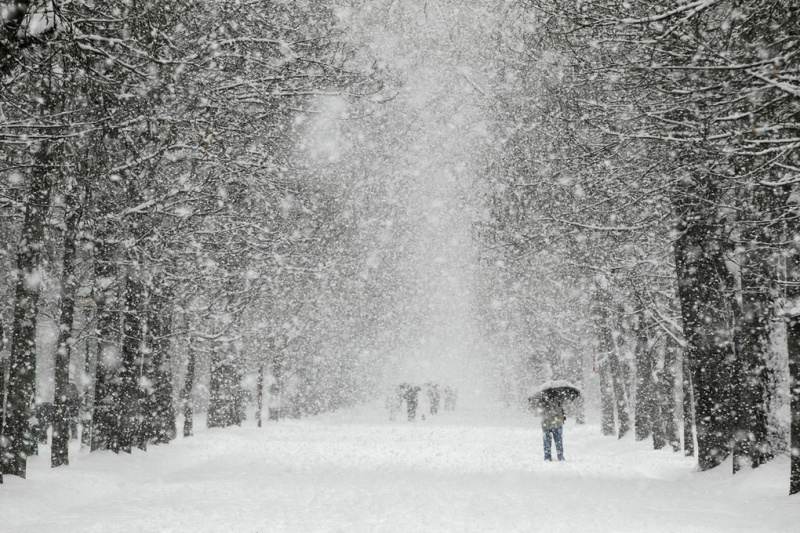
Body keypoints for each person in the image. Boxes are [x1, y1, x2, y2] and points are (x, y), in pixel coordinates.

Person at [538, 393, 565, 461]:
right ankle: (547, 457)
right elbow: (542, 414)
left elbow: (560, 414)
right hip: (546, 426)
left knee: (559, 443)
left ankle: (560, 457)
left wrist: (558, 414)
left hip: (556, 425)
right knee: (547, 443)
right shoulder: (542, 403)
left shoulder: (558, 401)